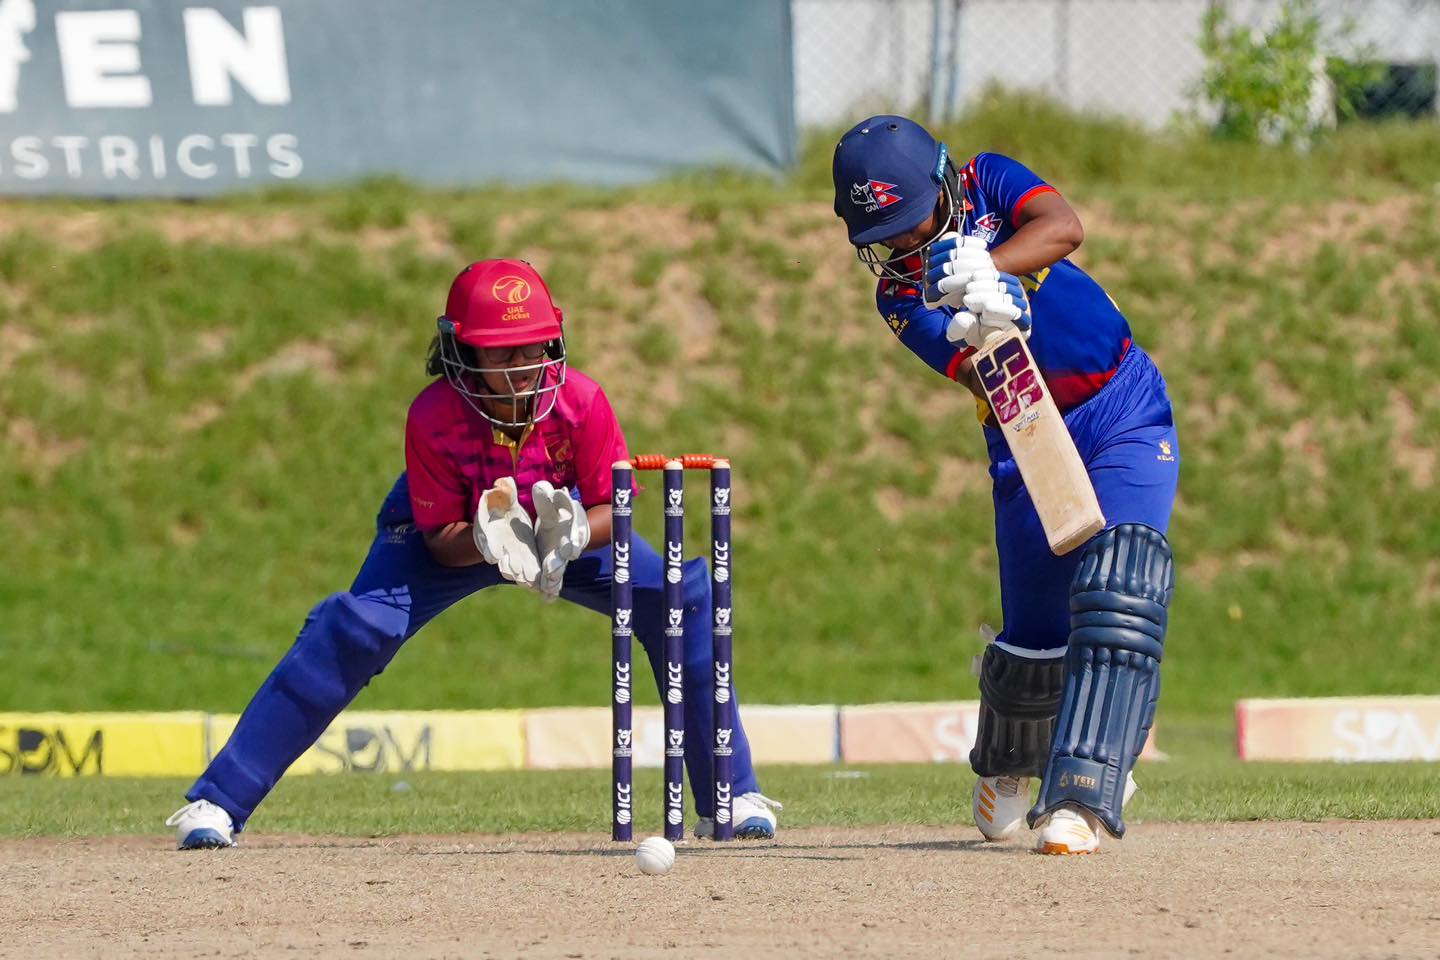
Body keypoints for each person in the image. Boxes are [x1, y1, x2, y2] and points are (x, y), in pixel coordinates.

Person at [165, 259, 780, 849]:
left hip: (562, 525)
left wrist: (563, 538)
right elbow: (439, 539)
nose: (523, 367)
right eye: (502, 352)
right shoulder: (432, 416)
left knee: (681, 599)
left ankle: (731, 794)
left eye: (536, 346)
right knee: (356, 626)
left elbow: (610, 509)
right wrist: (491, 540)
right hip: (457, 531)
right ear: (462, 352)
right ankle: (219, 800)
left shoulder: (582, 403)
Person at [831, 116, 1177, 854]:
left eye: (908, 220)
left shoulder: (988, 175)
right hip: (1024, 424)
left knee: (1121, 584)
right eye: (883, 234)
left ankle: (1084, 795)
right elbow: (981, 364)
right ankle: (1007, 769)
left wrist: (992, 267)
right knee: (1037, 639)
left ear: (945, 180)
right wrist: (986, 314)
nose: (902, 244)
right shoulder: (899, 298)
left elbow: (1063, 226)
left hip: (1122, 405)